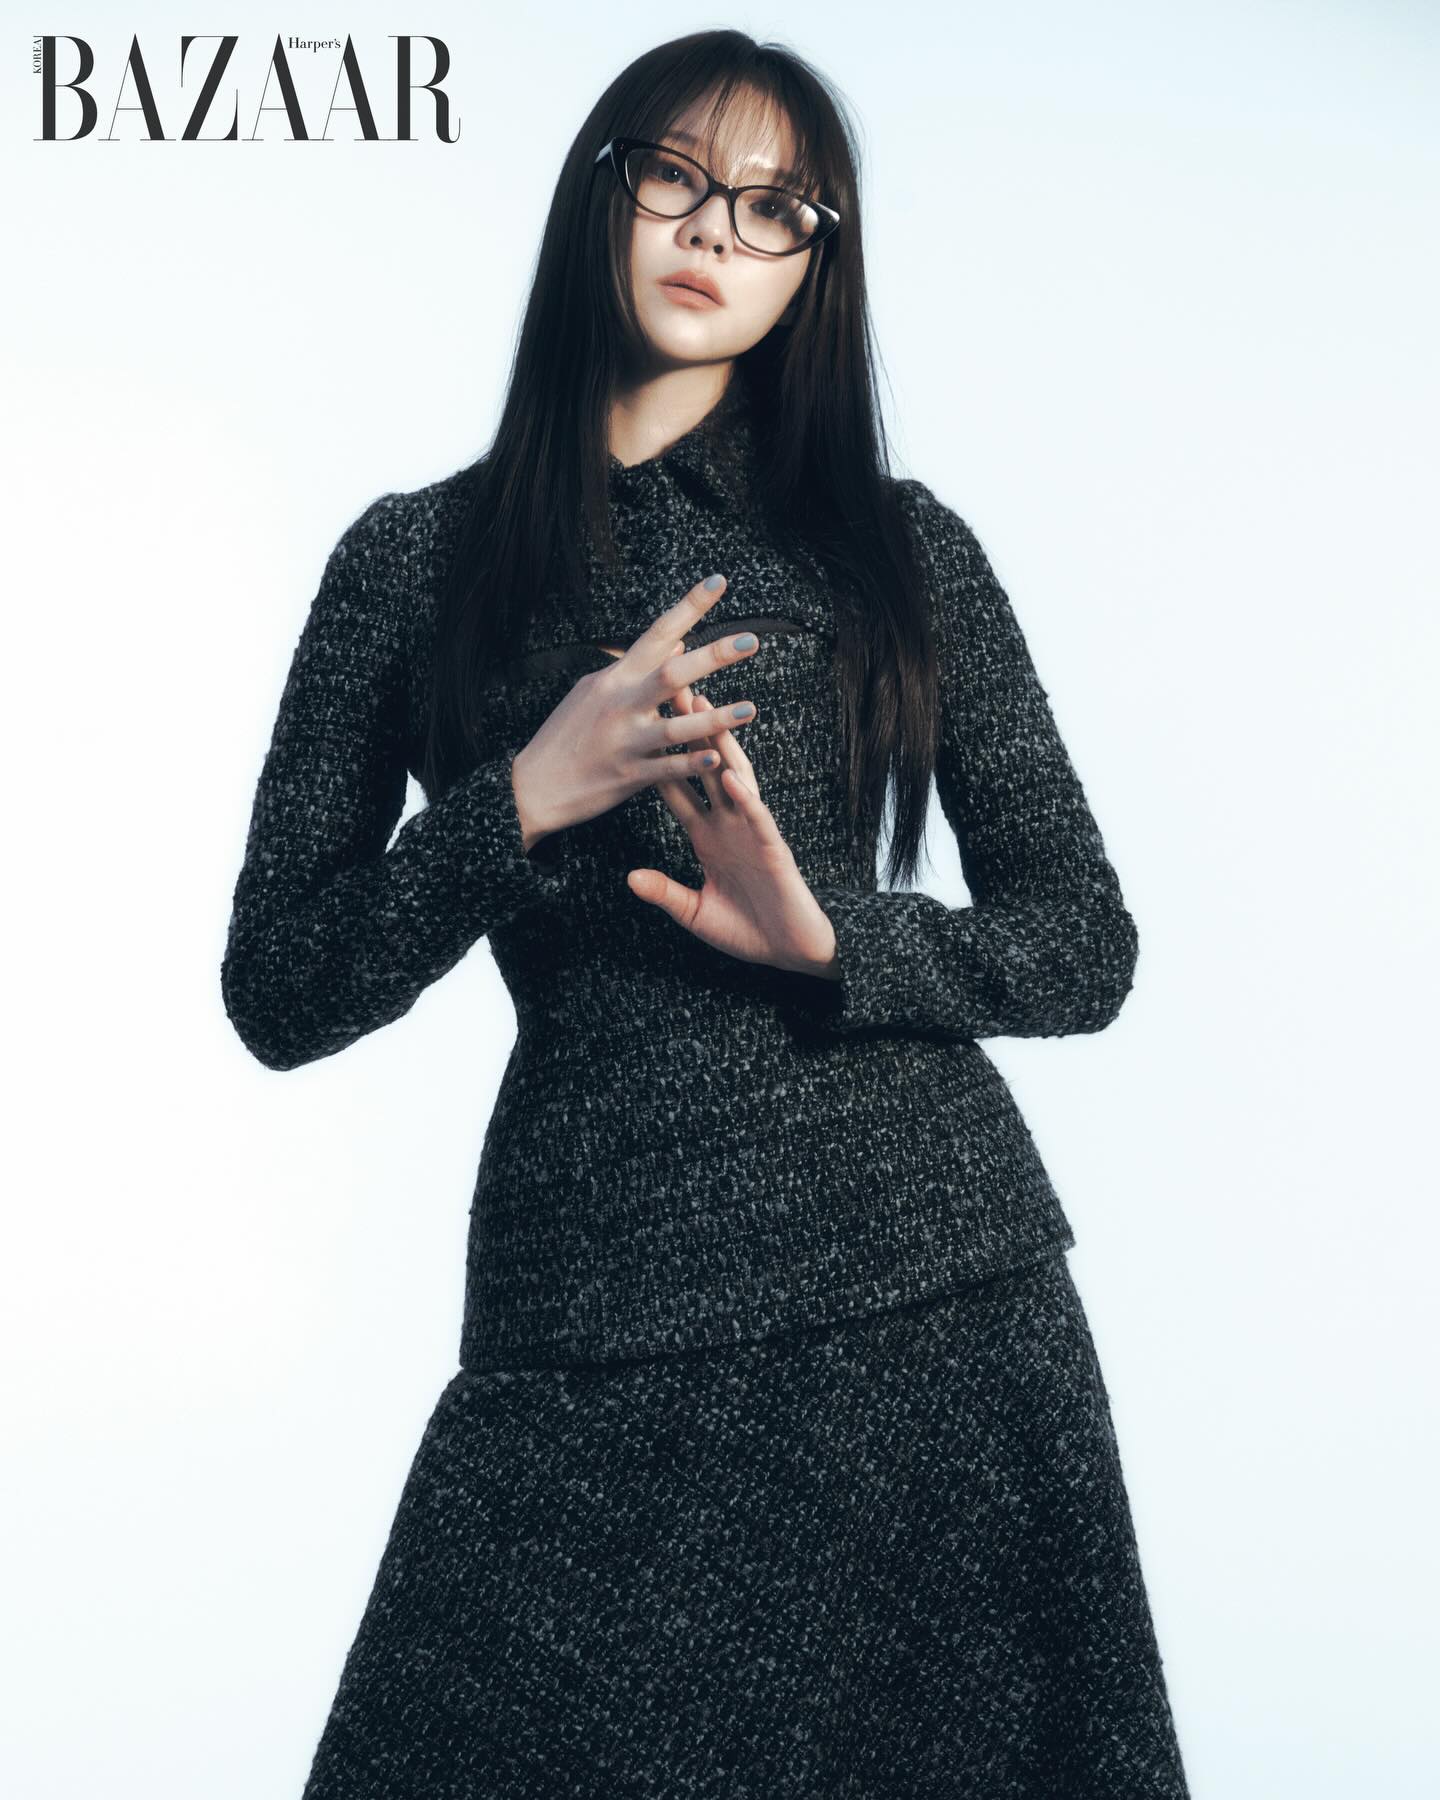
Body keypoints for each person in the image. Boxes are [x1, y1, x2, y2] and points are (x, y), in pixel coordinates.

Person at [221, 29, 1192, 1798]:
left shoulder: (901, 550)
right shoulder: (413, 561)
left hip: (926, 1280)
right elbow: (281, 988)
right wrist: (521, 797)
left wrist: (833, 941)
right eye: (674, 177)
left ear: (817, 260)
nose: (713, 232)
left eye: (773, 206)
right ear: (601, 192)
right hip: (589, 1279)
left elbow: (1084, 941)